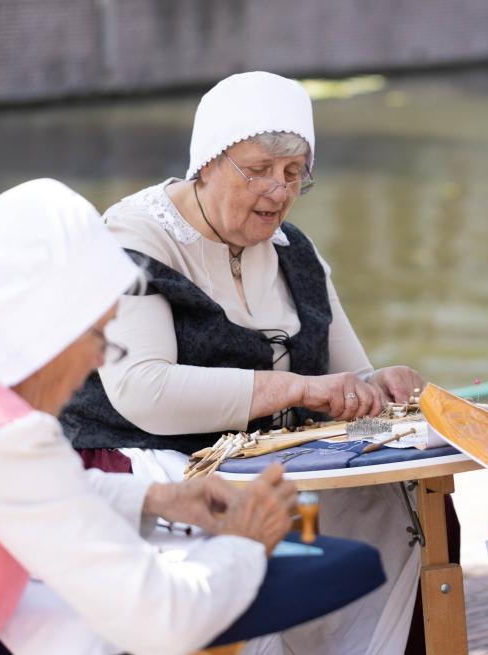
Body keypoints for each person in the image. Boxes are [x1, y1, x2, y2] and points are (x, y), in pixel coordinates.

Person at [59, 71, 452, 654]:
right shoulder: (134, 239)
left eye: (294, 173)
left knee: (400, 501)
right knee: (255, 531)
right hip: (152, 460)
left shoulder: (296, 252)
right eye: (259, 169)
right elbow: (142, 391)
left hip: (271, 465)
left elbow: (344, 379)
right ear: (207, 163)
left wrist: (378, 385)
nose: (278, 190)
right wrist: (292, 388)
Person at [0, 179, 299, 654]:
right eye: (101, 334)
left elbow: (14, 490)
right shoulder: (3, 437)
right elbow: (162, 621)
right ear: (50, 324)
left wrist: (158, 497)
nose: (102, 360)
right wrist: (246, 542)